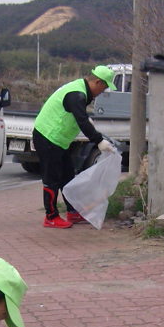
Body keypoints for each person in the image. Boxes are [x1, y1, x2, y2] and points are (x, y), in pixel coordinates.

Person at [33, 65, 117, 228]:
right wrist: (98, 140)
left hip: (59, 141)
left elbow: (81, 117)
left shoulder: (80, 90)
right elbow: (82, 121)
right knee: (52, 178)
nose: (103, 91)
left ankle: (72, 212)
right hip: (47, 137)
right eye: (105, 87)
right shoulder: (77, 94)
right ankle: (50, 216)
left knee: (67, 175)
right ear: (98, 82)